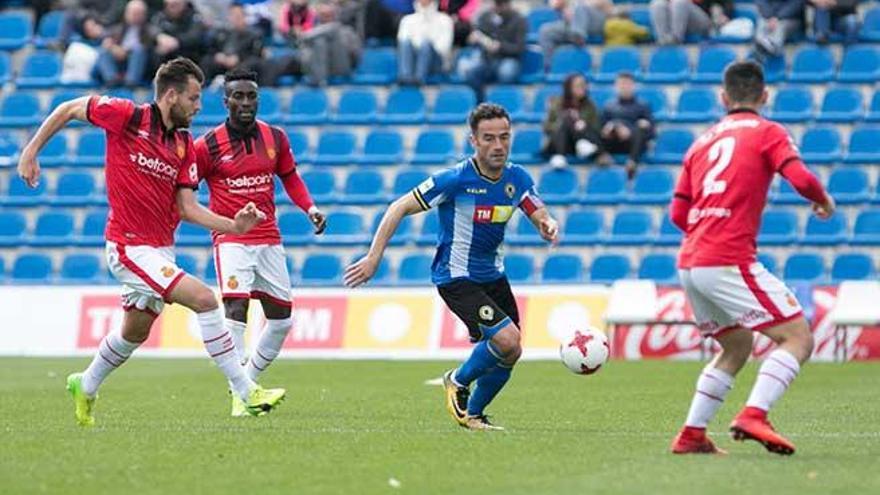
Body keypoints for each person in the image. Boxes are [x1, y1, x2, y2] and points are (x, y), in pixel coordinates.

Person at [16, 57, 287, 427]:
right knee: (206, 300)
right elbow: (69, 108)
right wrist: (31, 151)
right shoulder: (128, 116)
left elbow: (187, 208)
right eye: (193, 98)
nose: (198, 106)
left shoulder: (184, 145)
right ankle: (246, 390)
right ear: (171, 95)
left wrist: (234, 226)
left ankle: (86, 383)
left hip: (159, 248)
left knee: (135, 330)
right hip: (128, 246)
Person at [344, 103, 559, 431]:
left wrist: (547, 224)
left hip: (493, 276)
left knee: (512, 351)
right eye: (488, 138)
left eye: (504, 137)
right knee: (507, 339)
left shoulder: (518, 177)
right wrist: (374, 258)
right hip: (456, 277)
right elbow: (398, 207)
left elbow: (536, 210)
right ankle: (457, 380)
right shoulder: (455, 179)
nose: (498, 145)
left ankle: (473, 415)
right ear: (473, 140)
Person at [668, 60, 836, 455]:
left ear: (723, 98)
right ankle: (754, 414)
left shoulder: (702, 142)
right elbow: (802, 179)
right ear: (764, 96)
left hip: (691, 262)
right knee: (797, 337)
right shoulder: (768, 131)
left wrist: (707, 233)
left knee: (737, 344)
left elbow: (678, 213)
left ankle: (692, 434)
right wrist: (823, 200)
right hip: (727, 258)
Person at [194, 69, 327, 417]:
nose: (246, 103)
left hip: (269, 238)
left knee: (282, 320)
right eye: (238, 96)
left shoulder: (275, 137)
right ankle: (242, 391)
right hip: (231, 237)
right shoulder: (207, 145)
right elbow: (184, 189)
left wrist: (310, 208)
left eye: (251, 96)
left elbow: (290, 177)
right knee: (236, 308)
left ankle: (245, 385)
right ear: (226, 102)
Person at [456, 0, 527, 100]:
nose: (497, 8)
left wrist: (500, 47)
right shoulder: (486, 17)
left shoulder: (519, 20)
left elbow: (519, 48)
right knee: (472, 74)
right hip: (488, 59)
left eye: (501, 5)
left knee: (506, 72)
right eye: (496, 4)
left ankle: (502, 104)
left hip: (509, 59)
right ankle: (481, 104)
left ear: (508, 4)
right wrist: (475, 39)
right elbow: (478, 34)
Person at [597, 72, 654, 178]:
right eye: (621, 84)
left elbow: (652, 132)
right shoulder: (608, 106)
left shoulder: (643, 106)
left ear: (633, 86)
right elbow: (600, 129)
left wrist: (630, 131)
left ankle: (632, 163)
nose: (624, 87)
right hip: (614, 142)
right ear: (616, 86)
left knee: (642, 126)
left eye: (627, 84)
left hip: (634, 144)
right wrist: (613, 127)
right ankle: (601, 156)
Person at [543, 73, 601, 168]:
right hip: (558, 142)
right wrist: (562, 123)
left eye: (584, 85)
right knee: (567, 118)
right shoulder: (557, 103)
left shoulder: (590, 106)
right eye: (578, 85)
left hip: (578, 141)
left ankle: (580, 143)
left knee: (574, 121)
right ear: (569, 87)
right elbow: (547, 127)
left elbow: (597, 128)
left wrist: (583, 124)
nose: (582, 88)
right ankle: (561, 154)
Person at [94, 0, 155, 88]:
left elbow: (148, 47)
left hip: (139, 65)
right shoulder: (118, 29)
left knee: (139, 50)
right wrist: (113, 47)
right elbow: (105, 38)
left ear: (144, 15)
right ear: (126, 14)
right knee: (103, 50)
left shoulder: (150, 30)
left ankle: (131, 82)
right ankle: (112, 80)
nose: (135, 16)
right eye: (132, 13)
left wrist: (125, 51)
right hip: (119, 62)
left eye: (138, 13)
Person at [200, 3, 265, 83]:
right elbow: (212, 48)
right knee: (206, 61)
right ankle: (205, 88)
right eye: (233, 15)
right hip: (223, 62)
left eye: (238, 16)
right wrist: (218, 55)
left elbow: (256, 54)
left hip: (242, 63)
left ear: (244, 16)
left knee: (248, 66)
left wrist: (239, 58)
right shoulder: (223, 33)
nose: (236, 18)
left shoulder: (254, 34)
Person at [396, 0, 454, 85]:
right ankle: (406, 77)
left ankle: (419, 79)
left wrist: (425, 44)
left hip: (435, 62)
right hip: (413, 59)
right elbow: (402, 41)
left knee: (426, 44)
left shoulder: (445, 20)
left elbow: (443, 48)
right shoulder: (407, 20)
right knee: (406, 43)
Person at [538, 0, 613, 63]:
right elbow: (555, 5)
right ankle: (550, 66)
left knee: (581, 8)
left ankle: (578, 36)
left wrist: (578, 9)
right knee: (545, 30)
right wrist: (566, 9)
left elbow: (609, 8)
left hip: (597, 22)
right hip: (573, 23)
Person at [648, 0, 714, 45]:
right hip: (675, 18)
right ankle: (663, 40)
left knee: (680, 2)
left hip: (701, 21)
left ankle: (676, 40)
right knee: (657, 4)